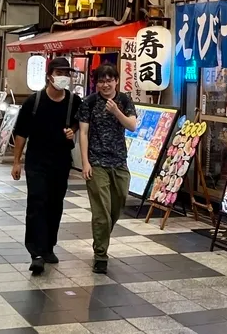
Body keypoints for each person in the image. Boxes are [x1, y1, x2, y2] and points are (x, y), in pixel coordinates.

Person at [11, 57, 79, 276]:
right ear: (49, 75)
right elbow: (21, 133)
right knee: (37, 202)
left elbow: (80, 124)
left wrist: (73, 131)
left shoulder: (73, 102)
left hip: (60, 161)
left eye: (67, 73)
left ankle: (49, 246)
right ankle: (36, 253)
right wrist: (16, 161)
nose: (64, 77)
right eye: (60, 72)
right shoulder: (34, 101)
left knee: (55, 204)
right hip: (36, 161)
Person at [77, 65, 138, 274]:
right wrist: (85, 162)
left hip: (120, 162)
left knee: (118, 202)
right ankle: (100, 254)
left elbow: (132, 125)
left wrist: (116, 111)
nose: (105, 84)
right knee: (101, 211)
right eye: (101, 81)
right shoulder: (89, 102)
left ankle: (101, 236)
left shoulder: (124, 100)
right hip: (97, 162)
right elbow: (83, 133)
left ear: (116, 81)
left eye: (109, 80)